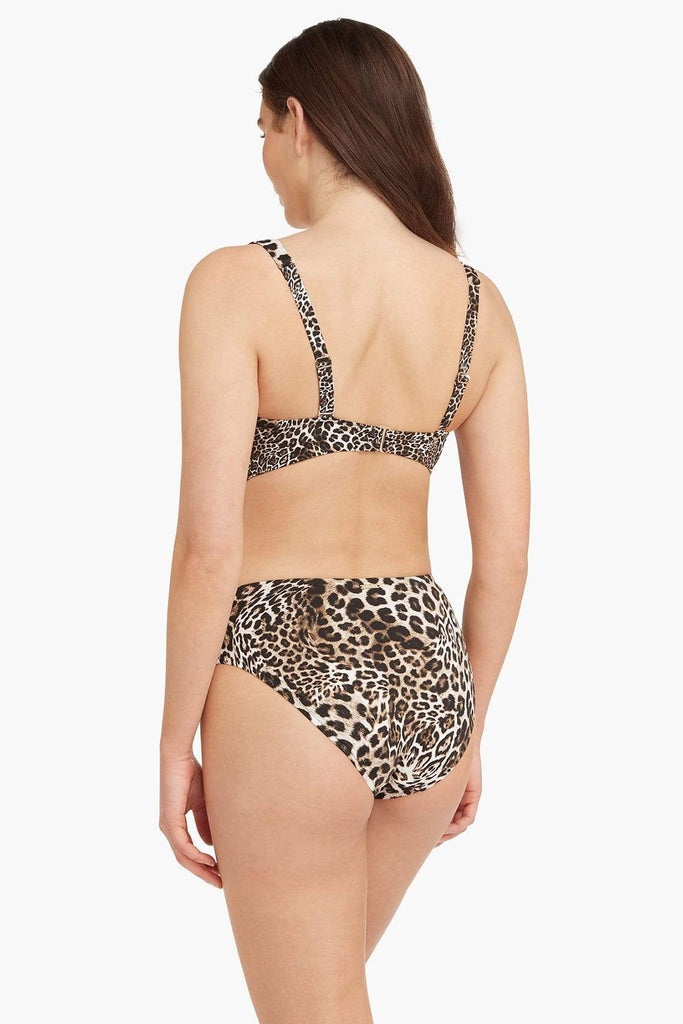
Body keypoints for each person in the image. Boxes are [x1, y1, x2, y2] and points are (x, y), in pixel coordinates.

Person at [159, 17, 529, 1024]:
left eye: (262, 132)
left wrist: (174, 744)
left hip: (285, 666)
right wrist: (467, 729)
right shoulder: (478, 306)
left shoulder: (236, 283)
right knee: (323, 1001)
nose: (266, 160)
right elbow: (502, 561)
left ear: (300, 120)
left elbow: (207, 548)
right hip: (427, 675)